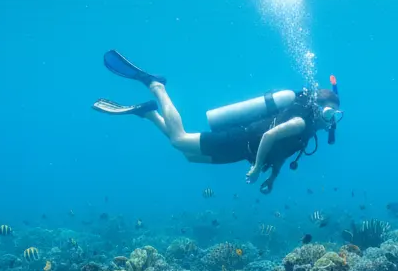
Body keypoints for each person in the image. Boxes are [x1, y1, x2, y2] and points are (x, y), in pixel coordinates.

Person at [92, 50, 342, 194]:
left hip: (240, 152)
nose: (332, 121)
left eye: (336, 117)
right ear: (318, 109)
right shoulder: (300, 122)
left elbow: (283, 153)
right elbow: (269, 136)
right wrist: (256, 169)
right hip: (239, 139)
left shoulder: (307, 131)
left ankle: (149, 113)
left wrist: (273, 177)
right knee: (180, 140)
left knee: (188, 155)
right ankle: (157, 86)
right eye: (331, 114)